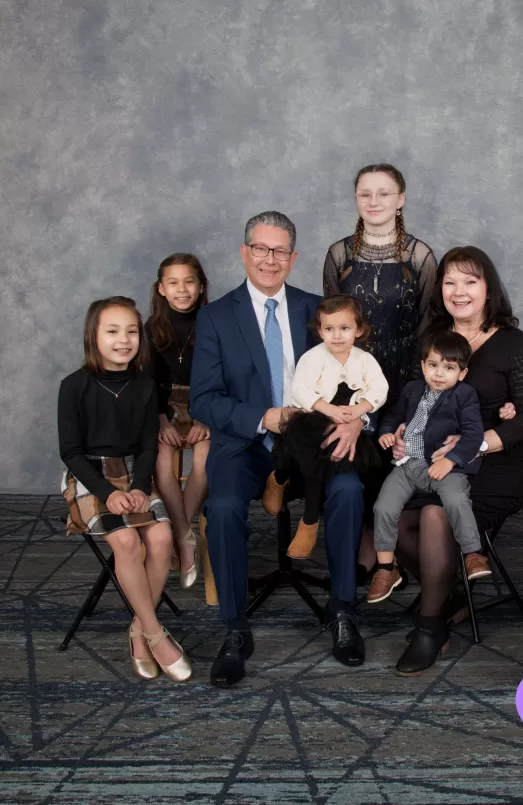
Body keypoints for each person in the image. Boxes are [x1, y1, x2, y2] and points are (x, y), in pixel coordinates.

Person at [190, 211, 367, 687]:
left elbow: (356, 373)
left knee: (349, 491)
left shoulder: (317, 311)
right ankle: (235, 629)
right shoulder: (216, 317)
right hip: (246, 443)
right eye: (261, 249)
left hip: (313, 440)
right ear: (244, 252)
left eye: (280, 251)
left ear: (293, 257)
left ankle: (343, 611)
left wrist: (358, 418)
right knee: (223, 507)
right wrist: (262, 417)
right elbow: (203, 399)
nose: (270, 259)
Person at [390, 246, 523, 676]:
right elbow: (416, 401)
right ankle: (453, 592)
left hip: (502, 462)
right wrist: (404, 433)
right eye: (450, 282)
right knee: (393, 520)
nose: (459, 291)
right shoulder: (433, 341)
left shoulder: (515, 344)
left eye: (470, 281)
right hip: (441, 460)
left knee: (436, 515)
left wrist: (476, 444)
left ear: (488, 288)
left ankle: (430, 627)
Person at [58, 296, 192, 683]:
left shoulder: (145, 386)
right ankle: (155, 633)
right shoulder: (74, 386)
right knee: (128, 542)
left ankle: (137, 630)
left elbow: (149, 447)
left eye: (132, 331)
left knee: (162, 536)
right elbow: (71, 453)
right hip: (90, 476)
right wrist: (108, 492)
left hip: (134, 473)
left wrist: (138, 487)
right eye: (113, 331)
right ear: (93, 336)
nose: (124, 340)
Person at [323, 163, 439, 579]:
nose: (374, 201)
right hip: (351, 381)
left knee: (396, 462)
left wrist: (417, 388)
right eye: (365, 193)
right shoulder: (339, 255)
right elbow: (331, 324)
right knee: (358, 464)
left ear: (400, 200)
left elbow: (429, 323)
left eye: (384, 193)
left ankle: (394, 551)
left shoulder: (420, 256)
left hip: (405, 375)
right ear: (356, 199)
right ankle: (362, 548)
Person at [262, 294, 388, 559]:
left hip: (347, 424)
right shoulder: (313, 357)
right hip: (314, 418)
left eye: (345, 328)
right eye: (329, 329)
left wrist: (359, 409)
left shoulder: (365, 360)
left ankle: (309, 521)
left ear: (358, 330)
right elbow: (300, 389)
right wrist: (328, 409)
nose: (337, 335)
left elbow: (380, 388)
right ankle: (279, 479)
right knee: (303, 447)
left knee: (341, 460)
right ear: (320, 331)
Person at [370, 331, 489, 604]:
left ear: (462, 373)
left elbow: (474, 435)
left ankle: (472, 554)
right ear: (423, 366)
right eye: (433, 365)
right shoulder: (413, 390)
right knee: (383, 507)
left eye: (449, 368)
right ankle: (386, 569)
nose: (439, 373)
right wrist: (386, 433)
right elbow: (394, 417)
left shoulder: (464, 395)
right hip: (407, 465)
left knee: (456, 499)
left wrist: (451, 459)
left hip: (444, 466)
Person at [145, 253, 210, 589]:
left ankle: (175, 533)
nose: (182, 289)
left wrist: (204, 418)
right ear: (161, 288)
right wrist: (161, 421)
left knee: (204, 460)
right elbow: (147, 381)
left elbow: (220, 374)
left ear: (201, 287)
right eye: (173, 283)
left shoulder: (213, 321)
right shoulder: (152, 327)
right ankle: (185, 535)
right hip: (164, 405)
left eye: (189, 282)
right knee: (161, 463)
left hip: (205, 403)